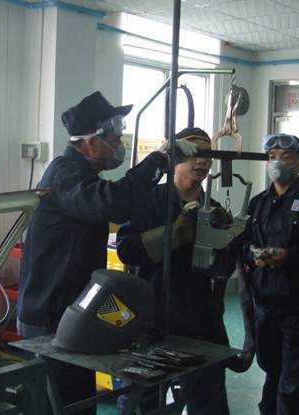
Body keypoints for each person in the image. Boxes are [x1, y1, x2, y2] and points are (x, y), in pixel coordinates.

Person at [17, 91, 198, 412]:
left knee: (78, 400)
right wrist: (158, 160)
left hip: (71, 310)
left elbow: (122, 203)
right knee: (59, 403)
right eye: (114, 135)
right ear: (90, 142)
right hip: (49, 316)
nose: (119, 141)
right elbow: (111, 202)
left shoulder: (82, 176)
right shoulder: (65, 174)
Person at [116, 127, 235, 415]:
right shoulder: (148, 201)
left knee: (208, 401)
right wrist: (171, 235)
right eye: (193, 152)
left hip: (200, 319)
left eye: (206, 154)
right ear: (175, 157)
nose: (201, 160)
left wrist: (227, 240)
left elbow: (225, 267)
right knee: (142, 400)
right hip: (152, 316)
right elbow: (126, 250)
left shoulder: (215, 210)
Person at [239, 133, 299, 415]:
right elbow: (244, 244)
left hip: (298, 305)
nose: (277, 162)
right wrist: (253, 256)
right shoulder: (258, 202)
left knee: (295, 379)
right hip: (263, 303)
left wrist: (288, 257)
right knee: (271, 369)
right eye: (272, 157)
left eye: (286, 156)